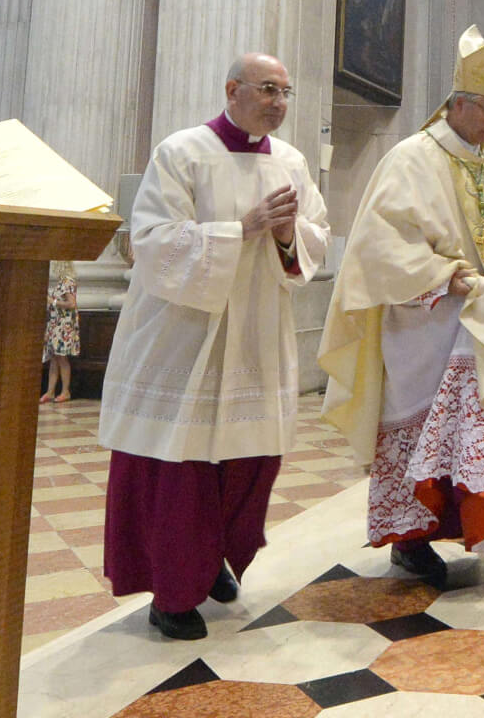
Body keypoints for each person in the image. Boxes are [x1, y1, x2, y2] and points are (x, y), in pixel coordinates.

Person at [99, 52, 329, 641]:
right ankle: (173, 592)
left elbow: (316, 237)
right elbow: (151, 241)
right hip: (184, 338)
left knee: (250, 460)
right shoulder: (181, 152)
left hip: (255, 334)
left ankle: (213, 557)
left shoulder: (292, 162)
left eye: (285, 92)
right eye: (268, 89)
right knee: (182, 466)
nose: (279, 102)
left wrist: (288, 235)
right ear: (232, 89)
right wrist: (241, 229)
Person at [321, 25, 484, 590]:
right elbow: (380, 245)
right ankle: (412, 541)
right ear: (458, 103)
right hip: (427, 326)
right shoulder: (411, 157)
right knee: (426, 432)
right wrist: (445, 276)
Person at [41, 261, 79, 404]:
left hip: (64, 326)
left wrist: (53, 302)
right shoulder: (61, 282)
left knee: (62, 358)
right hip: (56, 324)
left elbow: (71, 303)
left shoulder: (68, 282)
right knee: (54, 358)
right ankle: (50, 391)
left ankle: (65, 391)